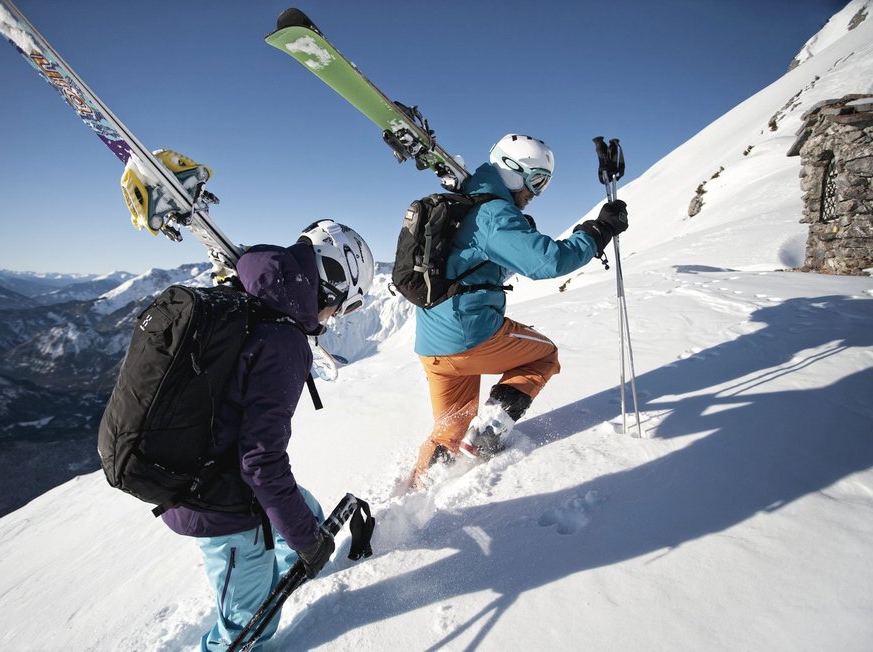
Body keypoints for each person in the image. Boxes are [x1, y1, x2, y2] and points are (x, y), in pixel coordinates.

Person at [161, 219, 376, 651]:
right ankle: (253, 599)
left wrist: (306, 533)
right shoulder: (281, 339)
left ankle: (273, 570)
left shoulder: (255, 298)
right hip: (219, 504)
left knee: (309, 517)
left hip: (219, 470)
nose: (336, 318)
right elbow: (261, 461)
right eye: (346, 306)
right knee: (246, 632)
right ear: (331, 284)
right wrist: (306, 544)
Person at [410, 133, 629, 487]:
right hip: (472, 336)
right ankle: (487, 434)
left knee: (448, 433)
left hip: (434, 347)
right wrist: (598, 231)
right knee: (544, 356)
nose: (537, 193)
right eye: (536, 181)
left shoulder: (467, 204)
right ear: (512, 171)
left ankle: (411, 494)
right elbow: (547, 262)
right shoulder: (492, 213)